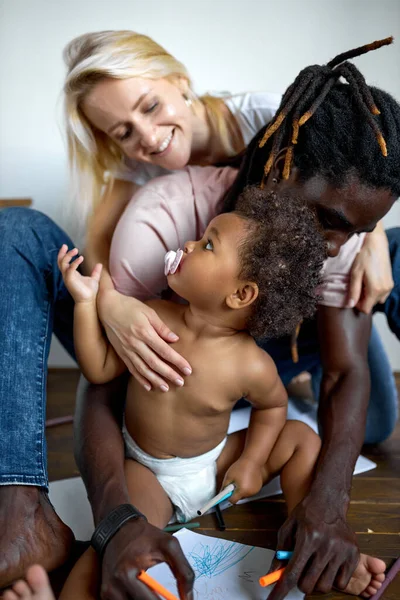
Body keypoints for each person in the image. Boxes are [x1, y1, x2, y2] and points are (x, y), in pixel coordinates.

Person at [0, 30, 398, 595]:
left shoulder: (286, 122)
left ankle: (355, 306)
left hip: (254, 344)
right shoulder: (150, 210)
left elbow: (358, 181)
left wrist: (371, 237)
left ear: (181, 83)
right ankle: (19, 508)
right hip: (163, 346)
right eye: (123, 131)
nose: (149, 136)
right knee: (15, 233)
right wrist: (109, 304)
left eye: (151, 105)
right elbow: (106, 374)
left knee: (375, 405)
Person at [5, 188, 386, 600]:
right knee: (112, 539)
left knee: (302, 439)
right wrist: (84, 304)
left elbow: (272, 406)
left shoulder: (251, 364)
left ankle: (306, 548)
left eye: (207, 244)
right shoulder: (152, 317)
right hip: (149, 473)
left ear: (241, 294)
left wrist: (253, 462)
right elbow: (97, 369)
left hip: (214, 465)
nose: (187, 244)